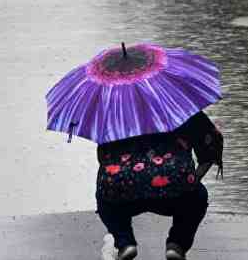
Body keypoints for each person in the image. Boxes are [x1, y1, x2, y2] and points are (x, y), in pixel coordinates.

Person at [95, 111, 223, 260]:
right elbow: (211, 148)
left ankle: (125, 242)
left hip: (124, 189)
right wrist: (192, 180)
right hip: (173, 186)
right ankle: (177, 244)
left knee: (105, 193)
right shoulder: (181, 107)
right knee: (198, 196)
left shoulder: (113, 113)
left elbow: (104, 158)